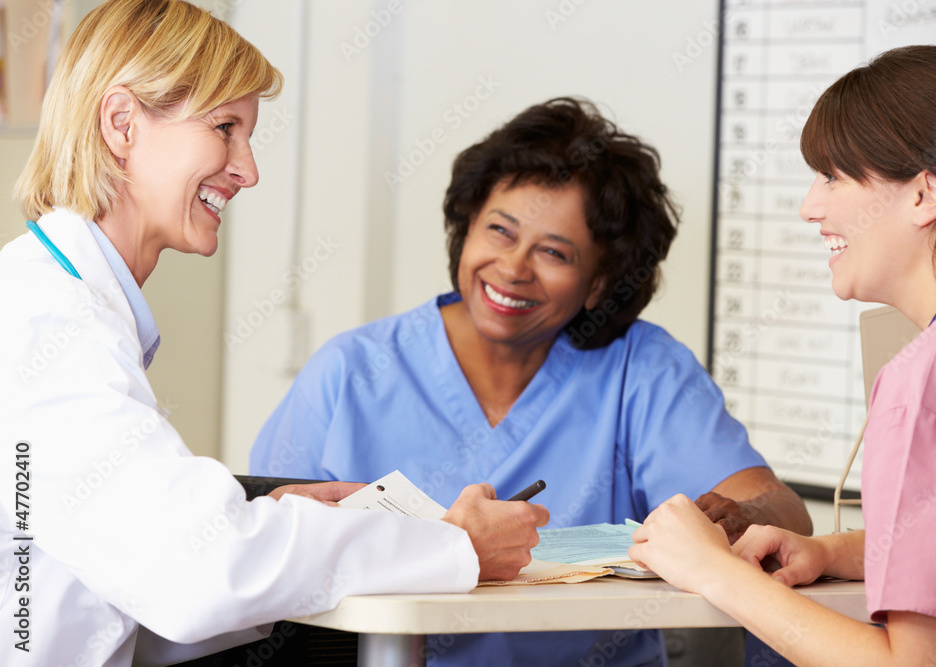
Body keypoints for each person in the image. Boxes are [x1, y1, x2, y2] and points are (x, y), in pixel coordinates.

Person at [0, 2, 547, 666]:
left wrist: (266, 514)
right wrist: (454, 547)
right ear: (121, 123)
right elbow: (196, 571)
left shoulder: (59, 305)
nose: (248, 170)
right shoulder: (47, 321)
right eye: (225, 127)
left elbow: (120, 586)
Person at [251, 96, 812, 666]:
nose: (514, 267)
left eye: (553, 251)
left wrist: (740, 518)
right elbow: (267, 549)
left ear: (599, 282)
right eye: (499, 230)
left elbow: (783, 511)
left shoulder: (641, 368)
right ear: (467, 227)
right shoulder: (350, 370)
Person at [629, 45, 936, 666]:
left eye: (833, 176)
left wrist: (713, 572)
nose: (811, 207)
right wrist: (832, 551)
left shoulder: (933, 376)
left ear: (924, 195)